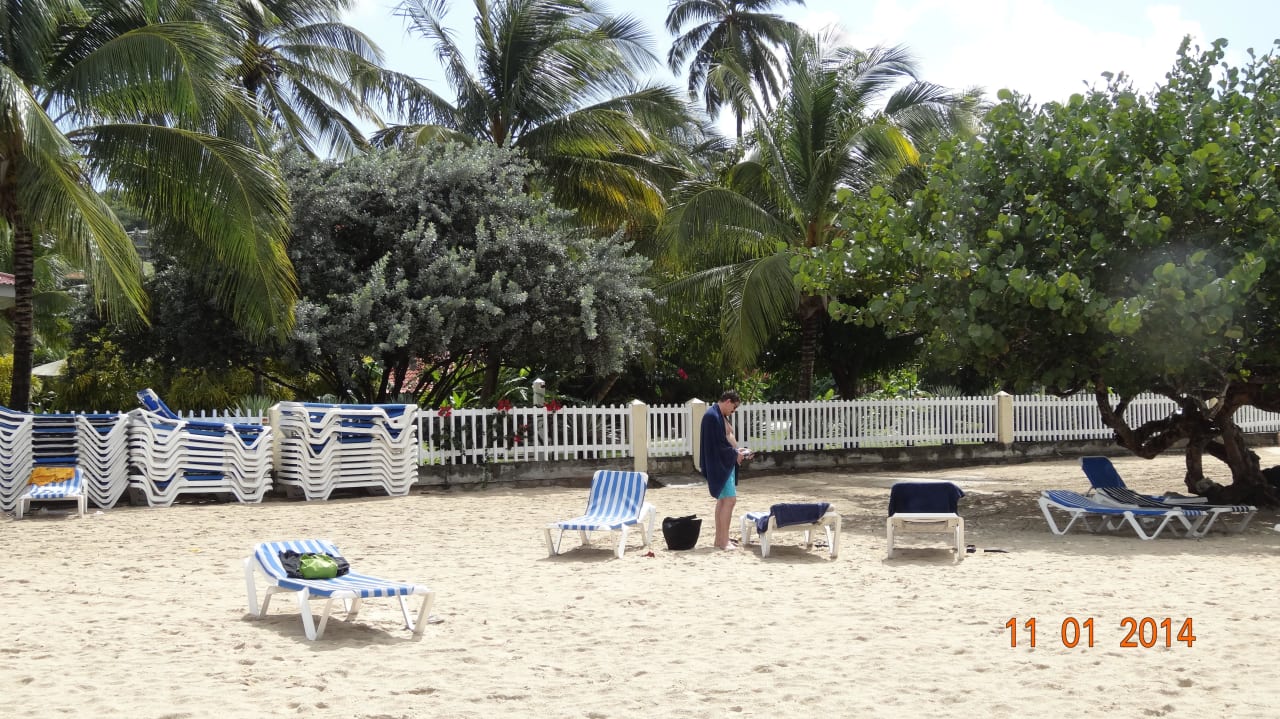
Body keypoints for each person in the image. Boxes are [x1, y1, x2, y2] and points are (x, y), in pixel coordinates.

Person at [700, 390, 744, 550]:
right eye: (733, 408)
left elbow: (725, 439)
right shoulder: (712, 417)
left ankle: (720, 540)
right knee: (729, 501)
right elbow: (716, 446)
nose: (733, 412)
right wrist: (734, 454)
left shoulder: (717, 414)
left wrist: (738, 451)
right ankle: (723, 541)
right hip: (721, 464)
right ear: (728, 401)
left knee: (723, 501)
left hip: (725, 463)